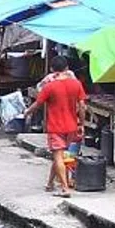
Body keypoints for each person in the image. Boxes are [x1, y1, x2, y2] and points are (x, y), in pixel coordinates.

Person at [25, 55, 88, 197]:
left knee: (58, 156)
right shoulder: (76, 84)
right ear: (67, 68)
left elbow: (38, 104)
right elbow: (82, 106)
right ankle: (50, 183)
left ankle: (65, 189)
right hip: (71, 126)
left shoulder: (50, 86)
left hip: (56, 127)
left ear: (52, 69)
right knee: (58, 155)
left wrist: (27, 112)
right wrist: (81, 124)